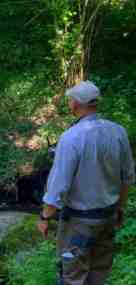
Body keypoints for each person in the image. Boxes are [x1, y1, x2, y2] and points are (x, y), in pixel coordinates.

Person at [38, 80, 135, 285]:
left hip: (78, 223)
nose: (69, 103)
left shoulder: (71, 137)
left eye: (70, 99)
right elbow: (127, 178)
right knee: (99, 274)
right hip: (107, 217)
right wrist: (119, 209)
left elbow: (58, 185)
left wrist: (44, 217)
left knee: (73, 277)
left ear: (75, 104)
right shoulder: (118, 132)